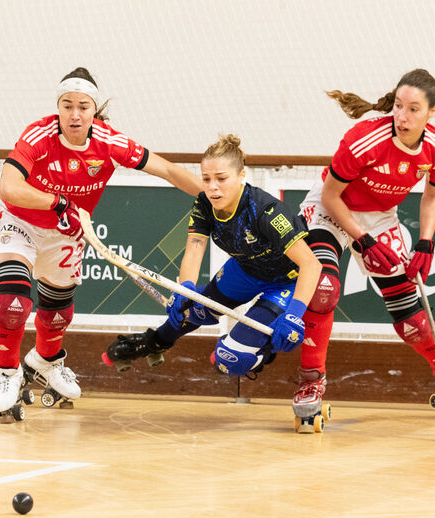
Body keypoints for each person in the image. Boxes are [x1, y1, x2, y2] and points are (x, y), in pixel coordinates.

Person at [0, 67, 203, 419]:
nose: (74, 114)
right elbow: (8, 188)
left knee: (57, 313)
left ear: (94, 109)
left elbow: (167, 170)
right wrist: (57, 202)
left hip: (66, 232)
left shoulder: (110, 142)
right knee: (11, 303)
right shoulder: (38, 135)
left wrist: (215, 197)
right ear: (57, 107)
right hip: (20, 221)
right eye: (67, 105)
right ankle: (8, 374)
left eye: (83, 106)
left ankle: (46, 361)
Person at [297, 69, 435, 421]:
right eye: (399, 106)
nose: (402, 116)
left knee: (409, 310)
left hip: (381, 216)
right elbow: (331, 194)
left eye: (414, 109)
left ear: (432, 111)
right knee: (323, 289)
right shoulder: (364, 139)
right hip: (331, 210)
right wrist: (362, 238)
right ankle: (311, 381)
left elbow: (433, 196)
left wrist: (426, 243)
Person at [105, 134, 321, 383]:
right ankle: (155, 342)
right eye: (206, 179)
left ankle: (264, 351)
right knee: (193, 310)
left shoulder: (266, 211)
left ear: (241, 176)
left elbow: (310, 264)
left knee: (230, 359)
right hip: (245, 271)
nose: (212, 187)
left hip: (285, 280)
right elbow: (195, 249)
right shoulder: (205, 203)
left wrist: (294, 314)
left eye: (221, 178)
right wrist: (185, 289)